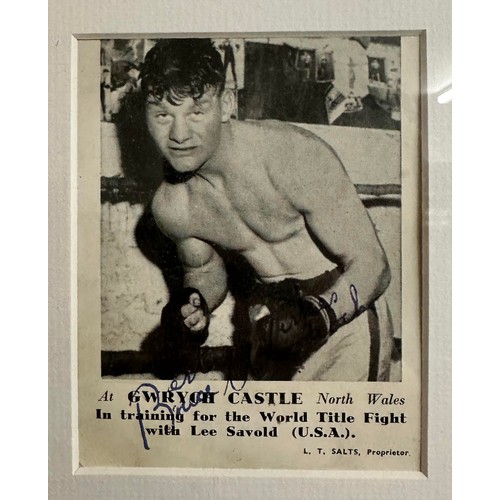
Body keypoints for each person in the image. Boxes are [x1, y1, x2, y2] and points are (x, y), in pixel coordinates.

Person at [140, 39, 393, 381]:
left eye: (196, 112)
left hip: (345, 312)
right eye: (163, 115)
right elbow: (204, 270)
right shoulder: (172, 205)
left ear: (226, 103)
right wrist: (193, 303)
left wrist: (317, 316)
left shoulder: (291, 155)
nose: (179, 134)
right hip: (267, 320)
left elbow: (373, 265)